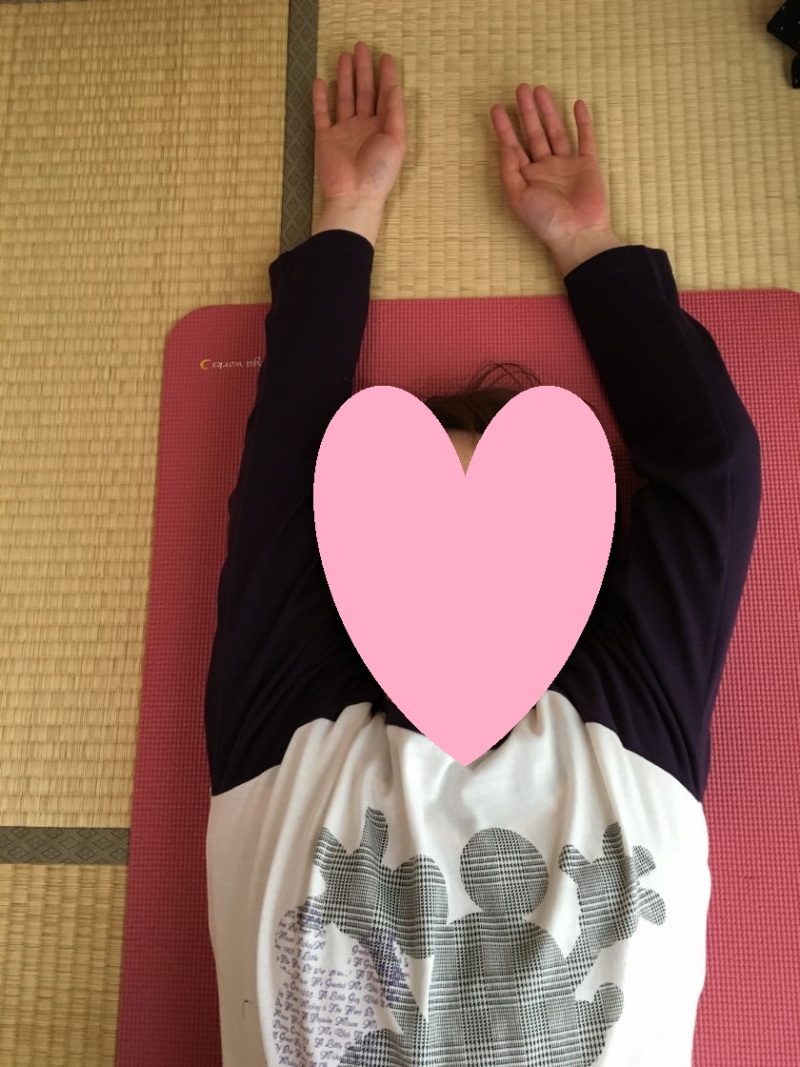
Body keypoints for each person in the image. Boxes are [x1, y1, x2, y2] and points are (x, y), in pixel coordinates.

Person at [203, 42, 762, 1066]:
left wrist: (582, 246)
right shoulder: (292, 732)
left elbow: (711, 469)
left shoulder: (623, 711)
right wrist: (349, 214)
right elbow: (284, 480)